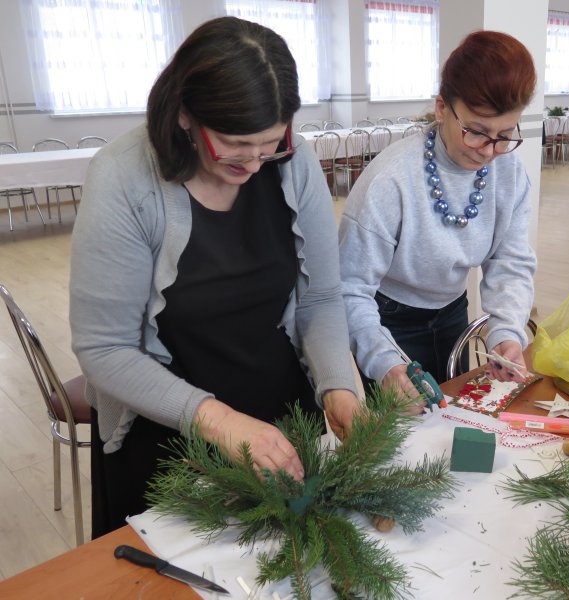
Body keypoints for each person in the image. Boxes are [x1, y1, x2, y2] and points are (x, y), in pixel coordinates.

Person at [69, 16, 361, 538]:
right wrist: (219, 421)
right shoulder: (123, 176)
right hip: (167, 435)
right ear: (184, 114)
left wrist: (337, 382)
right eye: (235, 144)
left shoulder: (292, 162)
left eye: (270, 143)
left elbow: (320, 298)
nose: (254, 163)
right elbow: (105, 349)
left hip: (281, 422)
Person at [338, 30, 537, 404]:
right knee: (406, 426)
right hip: (387, 320)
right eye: (476, 132)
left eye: (504, 135)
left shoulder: (509, 173)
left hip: (451, 311)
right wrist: (383, 361)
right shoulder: (391, 179)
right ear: (442, 108)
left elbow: (510, 262)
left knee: (454, 416)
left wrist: (507, 332)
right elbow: (350, 287)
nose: (488, 151)